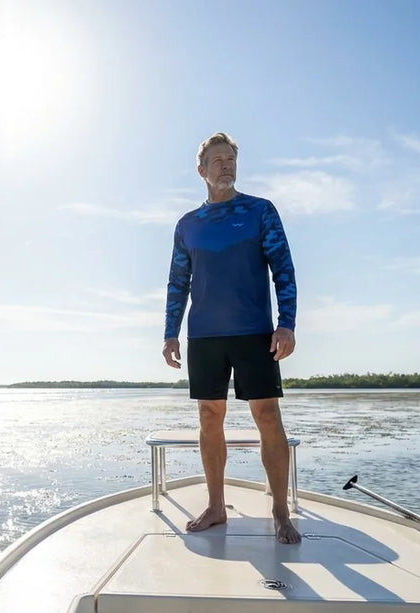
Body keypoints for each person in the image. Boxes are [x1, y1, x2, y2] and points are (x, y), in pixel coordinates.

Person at [162, 132, 300, 544]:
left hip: (254, 330)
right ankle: (217, 505)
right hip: (204, 334)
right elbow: (178, 281)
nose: (226, 165)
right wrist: (170, 332)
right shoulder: (188, 225)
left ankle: (279, 509)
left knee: (268, 417)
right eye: (218, 159)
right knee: (209, 417)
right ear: (201, 170)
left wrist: (287, 321)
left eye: (231, 158)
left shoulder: (259, 211)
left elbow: (283, 268)